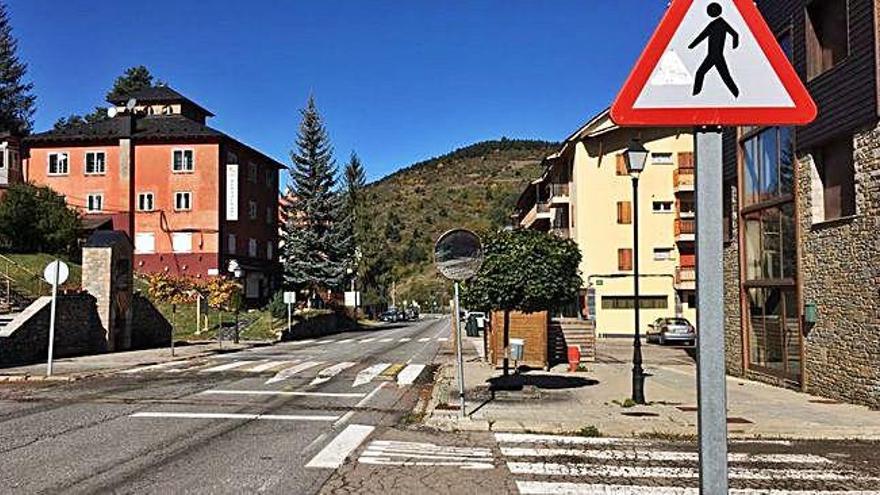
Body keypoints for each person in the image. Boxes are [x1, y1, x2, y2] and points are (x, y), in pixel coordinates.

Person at [689, 2, 740, 97]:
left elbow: (735, 34)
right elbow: (702, 36)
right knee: (703, 73)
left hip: (716, 55)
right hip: (712, 55)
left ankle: (737, 95)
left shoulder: (721, 23)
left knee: (704, 74)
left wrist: (735, 45)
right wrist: (691, 46)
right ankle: (695, 95)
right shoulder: (713, 24)